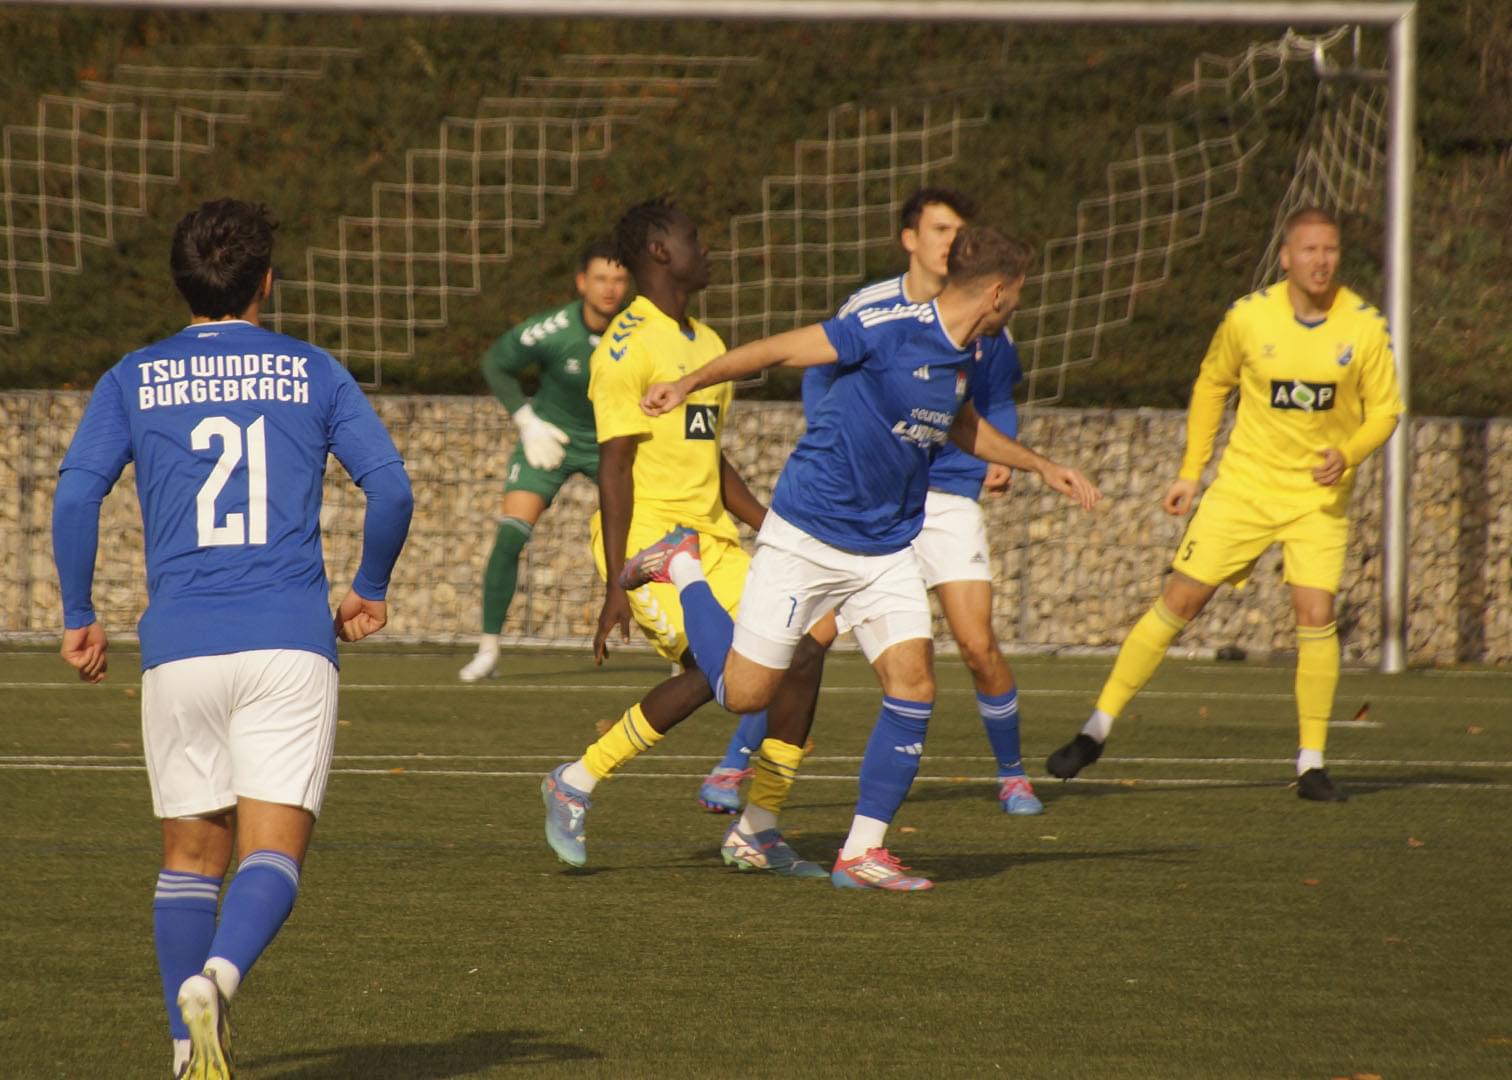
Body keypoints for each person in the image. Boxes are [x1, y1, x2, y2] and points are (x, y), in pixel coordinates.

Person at [51, 198, 413, 1079]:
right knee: (271, 852)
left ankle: (187, 1056)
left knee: (188, 856)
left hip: (178, 646)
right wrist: (367, 589)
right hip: (287, 640)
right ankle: (218, 976)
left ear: (182, 281)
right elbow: (392, 489)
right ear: (265, 283)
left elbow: (73, 496)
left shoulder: (132, 377)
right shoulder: (314, 371)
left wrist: (77, 613)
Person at [626, 226, 1101, 890]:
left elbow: (958, 421)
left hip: (885, 549)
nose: (1018, 303)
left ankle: (862, 853)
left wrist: (1039, 464)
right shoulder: (884, 326)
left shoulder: (972, 350)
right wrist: (689, 381)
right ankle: (682, 567)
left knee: (914, 685)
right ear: (998, 291)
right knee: (743, 694)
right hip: (807, 537)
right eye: (1018, 292)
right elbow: (780, 350)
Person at [695, 186, 1045, 819]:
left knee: (953, 657)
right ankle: (740, 760)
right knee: (783, 663)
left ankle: (901, 829)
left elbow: (978, 411)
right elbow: (803, 363)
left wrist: (1022, 459)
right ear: (911, 238)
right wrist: (839, 445)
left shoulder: (981, 337)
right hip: (835, 513)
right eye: (940, 229)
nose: (950, 242)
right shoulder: (878, 314)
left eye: (959, 233)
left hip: (920, 510)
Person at [1044, 206, 1403, 802]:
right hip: (1243, 488)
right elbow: (1212, 385)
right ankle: (1096, 729)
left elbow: (1387, 411)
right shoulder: (1247, 317)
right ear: (1286, 257)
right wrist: (1191, 472)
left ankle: (1311, 764)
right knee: (1179, 599)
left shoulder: (1364, 326)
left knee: (1316, 615)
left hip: (1316, 497)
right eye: (1309, 250)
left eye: (1331, 250)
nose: (1321, 260)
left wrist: (1351, 451)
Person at [538, 195, 828, 879]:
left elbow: (709, 454)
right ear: (660, 252)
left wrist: (771, 526)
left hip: (714, 542)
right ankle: (573, 781)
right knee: (724, 674)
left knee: (809, 640)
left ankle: (757, 828)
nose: (709, 248)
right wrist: (618, 578)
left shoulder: (708, 345)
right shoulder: (626, 345)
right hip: (652, 546)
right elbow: (614, 464)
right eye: (695, 236)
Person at [459, 242, 630, 681]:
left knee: (652, 540)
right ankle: (488, 649)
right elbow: (496, 362)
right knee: (510, 535)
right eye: (600, 279)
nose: (610, 289)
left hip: (615, 445)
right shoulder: (554, 330)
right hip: (550, 439)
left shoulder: (639, 332)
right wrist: (527, 422)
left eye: (618, 279)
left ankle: (679, 649)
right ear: (581, 283)